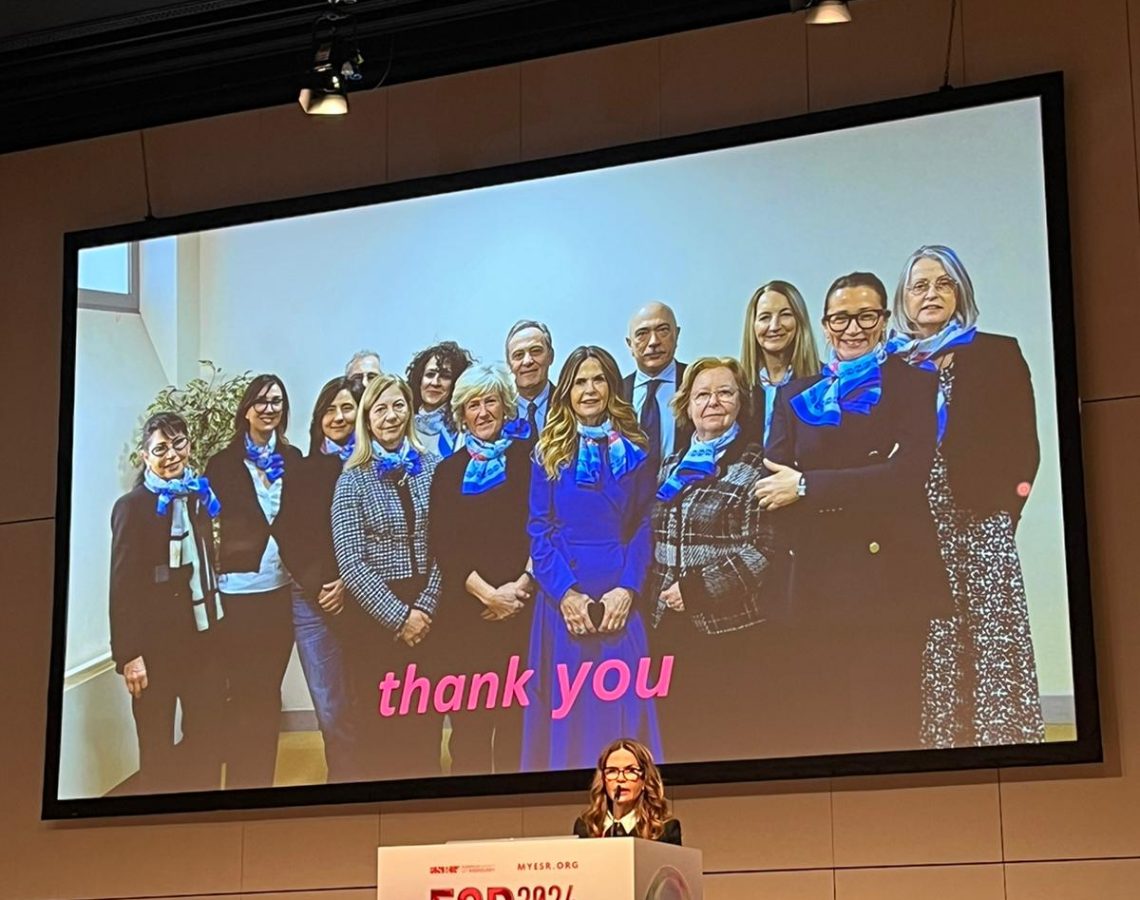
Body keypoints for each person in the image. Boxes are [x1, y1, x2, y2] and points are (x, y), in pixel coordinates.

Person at [754, 272, 952, 755]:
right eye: (841, 318)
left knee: (886, 726)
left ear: (884, 320)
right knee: (821, 728)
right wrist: (839, 488)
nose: (853, 328)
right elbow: (773, 485)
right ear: (825, 325)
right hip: (816, 579)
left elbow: (905, 477)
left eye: (866, 316)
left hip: (890, 582)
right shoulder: (796, 393)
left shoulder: (915, 383)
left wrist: (808, 485)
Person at [889, 245, 1044, 747]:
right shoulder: (891, 366)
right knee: (932, 643)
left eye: (943, 284)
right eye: (919, 286)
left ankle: (1002, 746)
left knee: (990, 643)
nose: (931, 294)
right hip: (916, 529)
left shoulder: (998, 352)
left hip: (981, 525)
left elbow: (1025, 449)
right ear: (903, 299)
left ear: (961, 293)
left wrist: (1004, 514)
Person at [522, 346, 662, 771]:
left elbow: (644, 524)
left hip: (619, 601)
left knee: (625, 718)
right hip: (563, 606)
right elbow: (539, 529)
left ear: (612, 386)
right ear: (566, 390)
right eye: (580, 381)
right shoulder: (547, 451)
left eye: (598, 379)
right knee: (565, 721)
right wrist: (566, 595)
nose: (589, 390)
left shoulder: (637, 450)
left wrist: (628, 589)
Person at [649, 357, 777, 762]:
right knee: (675, 742)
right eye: (702, 395)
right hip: (667, 628)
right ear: (687, 406)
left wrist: (696, 589)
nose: (713, 402)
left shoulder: (756, 465)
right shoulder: (672, 464)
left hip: (729, 633)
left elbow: (763, 550)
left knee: (725, 743)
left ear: (741, 402)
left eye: (725, 393)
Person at [331, 373, 444, 779]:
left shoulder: (434, 468)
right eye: (380, 409)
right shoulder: (352, 478)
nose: (390, 416)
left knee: (425, 722)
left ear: (409, 410)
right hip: (376, 618)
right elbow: (351, 562)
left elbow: (446, 542)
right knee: (381, 728)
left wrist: (424, 608)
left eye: (398, 405)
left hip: (429, 609)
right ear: (367, 420)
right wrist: (400, 618)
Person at [109, 412, 226, 793]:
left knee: (207, 739)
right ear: (145, 456)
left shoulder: (197, 497)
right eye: (160, 449)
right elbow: (122, 587)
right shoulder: (132, 507)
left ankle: (206, 815)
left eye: (178, 444)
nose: (172, 455)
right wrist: (129, 655)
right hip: (154, 650)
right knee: (156, 748)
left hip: (202, 642)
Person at [428, 364, 535, 774]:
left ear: (505, 406)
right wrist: (489, 595)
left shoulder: (530, 459)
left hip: (522, 611)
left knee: (516, 726)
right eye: (474, 404)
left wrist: (521, 587)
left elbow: (543, 525)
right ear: (462, 414)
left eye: (491, 401)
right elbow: (444, 545)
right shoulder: (447, 471)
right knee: (469, 731)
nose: (483, 412)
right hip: (467, 616)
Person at [205, 374, 302, 789]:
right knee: (244, 690)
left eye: (277, 401)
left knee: (267, 690)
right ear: (246, 409)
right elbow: (207, 524)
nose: (269, 408)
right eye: (260, 401)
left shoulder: (293, 458)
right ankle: (238, 785)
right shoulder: (222, 463)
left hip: (280, 591)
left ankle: (261, 784)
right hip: (237, 593)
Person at [274, 376, 364, 781]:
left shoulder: (372, 467)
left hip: (363, 597)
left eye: (347, 408)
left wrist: (348, 582)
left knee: (364, 696)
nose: (339, 417)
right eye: (330, 409)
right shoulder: (302, 469)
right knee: (330, 705)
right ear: (318, 418)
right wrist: (321, 586)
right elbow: (288, 534)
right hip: (313, 600)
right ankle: (342, 782)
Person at [740, 280, 821, 447]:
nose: (774, 326)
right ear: (753, 326)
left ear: (799, 320)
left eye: (785, 315)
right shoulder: (737, 386)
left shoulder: (823, 382)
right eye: (765, 317)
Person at [572, 738, 681, 844]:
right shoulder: (585, 827)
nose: (620, 779)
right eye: (612, 771)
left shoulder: (665, 830)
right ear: (603, 780)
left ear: (645, 780)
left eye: (631, 770)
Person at [621, 302, 688, 471]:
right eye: (642, 334)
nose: (654, 342)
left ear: (677, 335)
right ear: (630, 344)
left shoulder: (696, 383)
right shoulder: (615, 392)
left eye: (663, 330)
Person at [505, 319, 555, 436]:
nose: (527, 361)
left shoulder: (568, 404)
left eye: (536, 351)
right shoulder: (501, 412)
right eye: (518, 355)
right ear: (509, 364)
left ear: (551, 356)